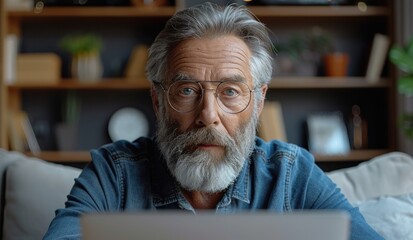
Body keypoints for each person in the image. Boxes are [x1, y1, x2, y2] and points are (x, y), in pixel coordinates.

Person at [44, 3, 382, 239]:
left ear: (259, 100)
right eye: (188, 90)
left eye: (231, 91)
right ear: (158, 100)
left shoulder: (292, 174)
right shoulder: (112, 175)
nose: (208, 116)